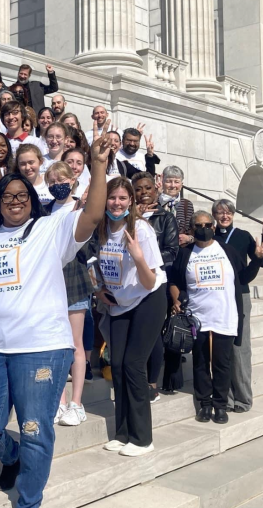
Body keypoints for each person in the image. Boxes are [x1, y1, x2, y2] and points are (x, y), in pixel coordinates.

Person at [0, 128, 108, 508]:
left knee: (34, 429)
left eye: (22, 195)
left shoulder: (51, 228)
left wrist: (97, 166)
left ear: (33, 200)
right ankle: (11, 457)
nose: (14, 201)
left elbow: (93, 215)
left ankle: (28, 501)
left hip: (42, 348)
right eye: (7, 196)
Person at [92, 177, 167, 457]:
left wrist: (137, 257)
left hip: (148, 298)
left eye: (123, 198)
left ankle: (142, 438)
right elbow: (92, 263)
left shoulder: (141, 231)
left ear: (131, 201)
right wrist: (98, 289)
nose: (117, 203)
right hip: (119, 302)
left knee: (134, 364)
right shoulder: (101, 230)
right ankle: (122, 433)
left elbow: (149, 282)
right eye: (112, 198)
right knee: (119, 365)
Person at [169, 211, 263, 424]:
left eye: (207, 224)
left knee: (223, 363)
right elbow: (173, 280)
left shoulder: (227, 251)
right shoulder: (185, 253)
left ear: (213, 227)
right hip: (197, 317)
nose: (203, 228)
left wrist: (257, 261)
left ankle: (220, 405)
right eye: (198, 225)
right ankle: (204, 404)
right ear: (192, 229)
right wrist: (177, 300)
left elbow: (243, 278)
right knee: (201, 363)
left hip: (225, 315)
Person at [42, 163, 96, 427]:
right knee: (55, 344)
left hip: (74, 281)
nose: (57, 184)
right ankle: (59, 401)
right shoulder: (43, 210)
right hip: (50, 284)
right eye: (51, 180)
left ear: (73, 179)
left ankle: (77, 402)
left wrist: (77, 212)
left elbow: (90, 246)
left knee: (75, 344)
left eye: (61, 178)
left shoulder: (83, 207)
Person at [213, 199, 263, 413]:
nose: (224, 216)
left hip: (240, 295)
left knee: (240, 349)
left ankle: (243, 399)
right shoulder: (209, 237)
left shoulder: (242, 235)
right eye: (220, 212)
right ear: (214, 215)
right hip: (217, 297)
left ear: (233, 215)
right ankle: (226, 399)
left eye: (228, 212)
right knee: (222, 349)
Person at [132, 172, 179, 403]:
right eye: (138, 189)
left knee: (153, 334)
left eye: (148, 188)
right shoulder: (126, 216)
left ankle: (152, 382)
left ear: (156, 190)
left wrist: (145, 261)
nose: (143, 193)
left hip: (155, 282)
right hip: (129, 284)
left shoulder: (165, 218)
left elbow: (171, 251)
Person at [160, 165, 195, 247]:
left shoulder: (187, 204)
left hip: (180, 250)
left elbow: (192, 231)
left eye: (176, 182)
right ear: (162, 182)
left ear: (181, 184)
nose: (172, 186)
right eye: (169, 181)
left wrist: (188, 238)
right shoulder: (156, 202)